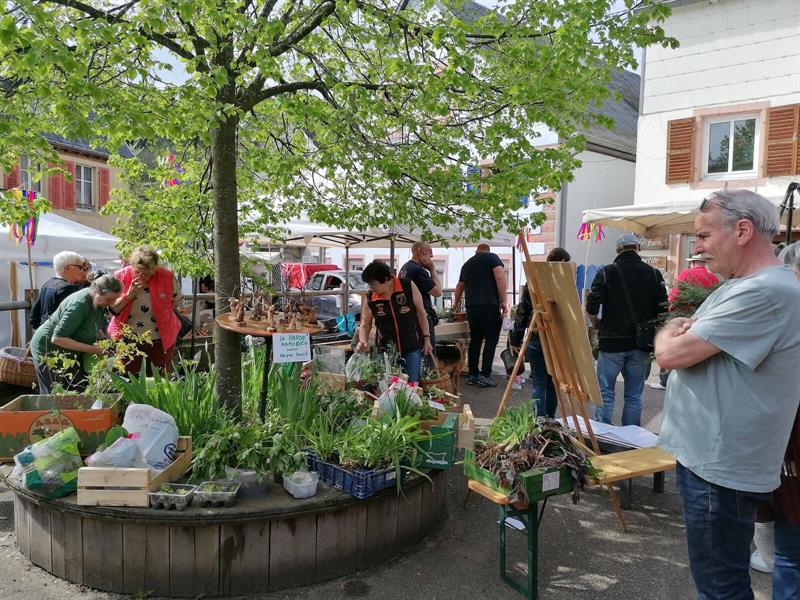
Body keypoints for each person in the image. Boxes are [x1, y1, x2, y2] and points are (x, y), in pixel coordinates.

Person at [655, 190, 800, 600]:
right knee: (719, 579)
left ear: (742, 230)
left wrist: (671, 330)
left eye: (702, 236)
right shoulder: (745, 284)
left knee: (720, 586)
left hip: (719, 471)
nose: (697, 248)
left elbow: (669, 353)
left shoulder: (764, 292)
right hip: (714, 464)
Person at [585, 232, 667, 426]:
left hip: (611, 342)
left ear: (618, 250)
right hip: (641, 344)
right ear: (638, 248)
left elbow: (592, 305)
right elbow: (663, 308)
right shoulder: (654, 274)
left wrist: (595, 323)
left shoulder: (606, 272)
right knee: (634, 395)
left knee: (605, 392)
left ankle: (603, 436)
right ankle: (630, 438)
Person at [29, 274, 122, 393]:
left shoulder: (99, 303)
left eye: (115, 299)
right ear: (96, 291)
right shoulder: (79, 305)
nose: (111, 303)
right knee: (57, 393)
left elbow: (97, 326)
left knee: (79, 389)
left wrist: (108, 344)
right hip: (47, 350)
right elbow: (57, 338)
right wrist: (96, 350)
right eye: (109, 299)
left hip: (70, 352)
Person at [509, 247, 571, 417]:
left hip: (537, 337)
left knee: (539, 383)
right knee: (553, 383)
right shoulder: (565, 283)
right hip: (556, 339)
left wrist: (515, 339)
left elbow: (522, 312)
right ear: (562, 264)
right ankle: (549, 420)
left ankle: (539, 422)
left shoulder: (535, 281)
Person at [109, 246, 184, 374]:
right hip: (128, 339)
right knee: (131, 378)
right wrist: (128, 296)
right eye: (138, 272)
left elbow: (178, 302)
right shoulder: (120, 276)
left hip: (160, 339)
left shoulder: (166, 276)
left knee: (160, 378)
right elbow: (112, 310)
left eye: (147, 273)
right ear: (132, 265)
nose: (142, 276)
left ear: (155, 269)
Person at [355, 260, 432, 383]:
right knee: (389, 386)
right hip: (386, 351)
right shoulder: (371, 297)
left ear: (386, 279)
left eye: (374, 284)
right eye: (369, 285)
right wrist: (362, 340)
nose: (371, 288)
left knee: (412, 384)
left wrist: (427, 339)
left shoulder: (407, 286)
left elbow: (421, 314)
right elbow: (365, 323)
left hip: (411, 346)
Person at [650, 254, 720, 390]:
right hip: (701, 319)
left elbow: (675, 295)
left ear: (693, 262)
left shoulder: (686, 273)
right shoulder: (714, 278)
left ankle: (665, 381)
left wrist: (670, 311)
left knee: (672, 347)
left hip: (683, 316)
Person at [452, 244, 507, 387]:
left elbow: (459, 286)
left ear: (476, 252)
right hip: (489, 305)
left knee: (475, 340)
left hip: (472, 307)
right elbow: (500, 278)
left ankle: (473, 375)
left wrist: (456, 304)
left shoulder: (467, 264)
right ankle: (485, 375)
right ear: (488, 251)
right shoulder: (493, 258)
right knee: (490, 340)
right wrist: (504, 301)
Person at [399, 241, 443, 350]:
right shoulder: (418, 270)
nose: (431, 255)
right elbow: (437, 292)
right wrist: (433, 270)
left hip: (409, 315)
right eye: (429, 251)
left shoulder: (405, 267)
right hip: (422, 315)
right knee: (428, 353)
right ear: (420, 251)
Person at [29, 251, 89, 329]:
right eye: (80, 267)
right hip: (58, 336)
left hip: (46, 332)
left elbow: (34, 316)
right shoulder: (67, 288)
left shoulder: (48, 283)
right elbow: (71, 319)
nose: (82, 271)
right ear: (68, 268)